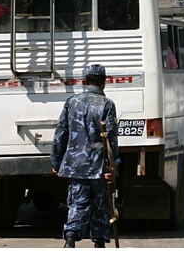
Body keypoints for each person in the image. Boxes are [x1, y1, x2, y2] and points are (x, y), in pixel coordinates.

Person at [51, 64, 119, 249]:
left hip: (76, 165)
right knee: (101, 206)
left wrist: (56, 161)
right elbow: (111, 139)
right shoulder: (107, 105)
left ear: (85, 81)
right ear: (104, 83)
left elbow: (60, 134)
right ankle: (98, 244)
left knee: (77, 204)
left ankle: (71, 237)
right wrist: (114, 166)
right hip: (99, 166)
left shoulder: (71, 102)